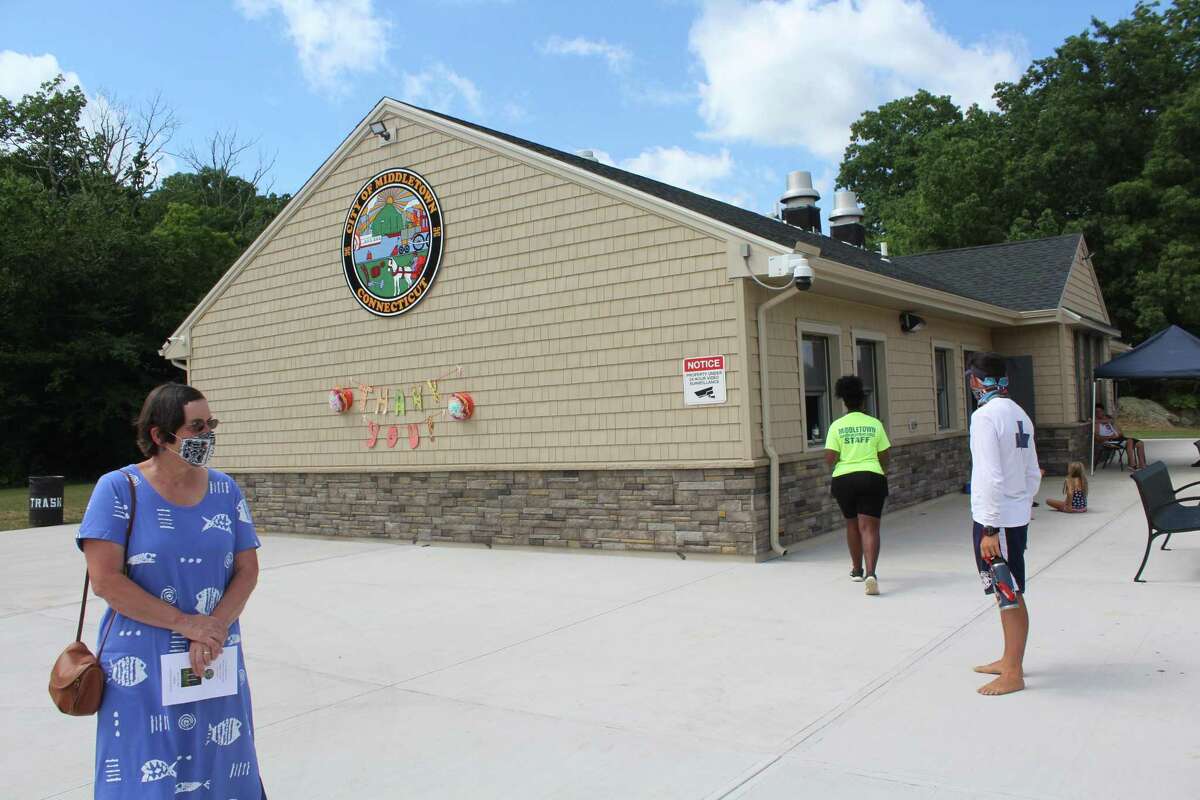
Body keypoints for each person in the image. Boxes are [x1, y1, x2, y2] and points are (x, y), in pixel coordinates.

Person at [77, 383, 265, 798]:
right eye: (196, 427)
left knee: (220, 763)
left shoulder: (224, 490)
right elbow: (106, 580)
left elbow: (247, 570)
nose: (207, 435)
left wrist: (211, 628)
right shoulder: (117, 489)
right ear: (160, 436)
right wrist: (187, 625)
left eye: (211, 424)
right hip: (142, 663)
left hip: (214, 655)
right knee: (146, 769)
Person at [966, 352, 1041, 696]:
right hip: (1013, 516)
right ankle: (1008, 658)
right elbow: (1032, 473)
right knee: (1006, 589)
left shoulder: (985, 417)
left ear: (977, 381)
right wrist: (1020, 508)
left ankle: (1013, 671)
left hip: (996, 521)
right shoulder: (1019, 413)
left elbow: (989, 476)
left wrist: (990, 528)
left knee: (1008, 591)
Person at [824, 375, 891, 596]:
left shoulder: (836, 426)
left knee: (852, 525)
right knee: (869, 528)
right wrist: (880, 471)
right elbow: (884, 455)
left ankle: (856, 570)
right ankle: (871, 573)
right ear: (863, 401)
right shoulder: (875, 424)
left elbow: (830, 458)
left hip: (844, 479)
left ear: (844, 402)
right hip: (871, 477)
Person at [1094, 403, 1146, 469]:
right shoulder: (1096, 424)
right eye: (1096, 412)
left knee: (1140, 443)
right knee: (1129, 441)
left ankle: (1142, 464)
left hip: (1118, 439)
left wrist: (1118, 432)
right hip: (1108, 441)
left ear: (1103, 411)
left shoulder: (1109, 420)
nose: (1098, 413)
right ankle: (1132, 465)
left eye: (1100, 411)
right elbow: (1097, 438)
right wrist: (1110, 437)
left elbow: (1120, 432)